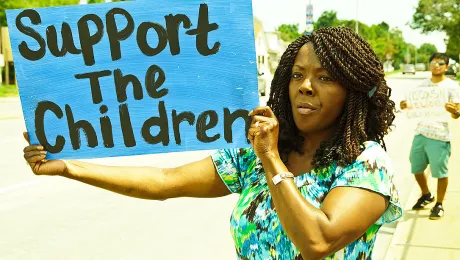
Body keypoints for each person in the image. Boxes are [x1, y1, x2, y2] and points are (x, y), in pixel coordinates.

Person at [23, 27, 402, 259]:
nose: (305, 85)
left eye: (324, 77)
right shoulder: (257, 151)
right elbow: (165, 181)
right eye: (298, 74)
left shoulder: (366, 163)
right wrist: (68, 166)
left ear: (352, 92)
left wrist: (270, 158)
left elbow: (317, 241)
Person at [400, 53, 460, 220]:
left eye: (441, 63)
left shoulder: (452, 87)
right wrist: (405, 105)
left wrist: (454, 110)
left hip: (440, 135)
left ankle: (439, 204)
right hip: (421, 132)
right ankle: (426, 195)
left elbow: (457, 113)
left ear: (446, 67)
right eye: (433, 63)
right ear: (429, 65)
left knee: (440, 172)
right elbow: (412, 104)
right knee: (416, 167)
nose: (436, 66)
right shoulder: (421, 86)